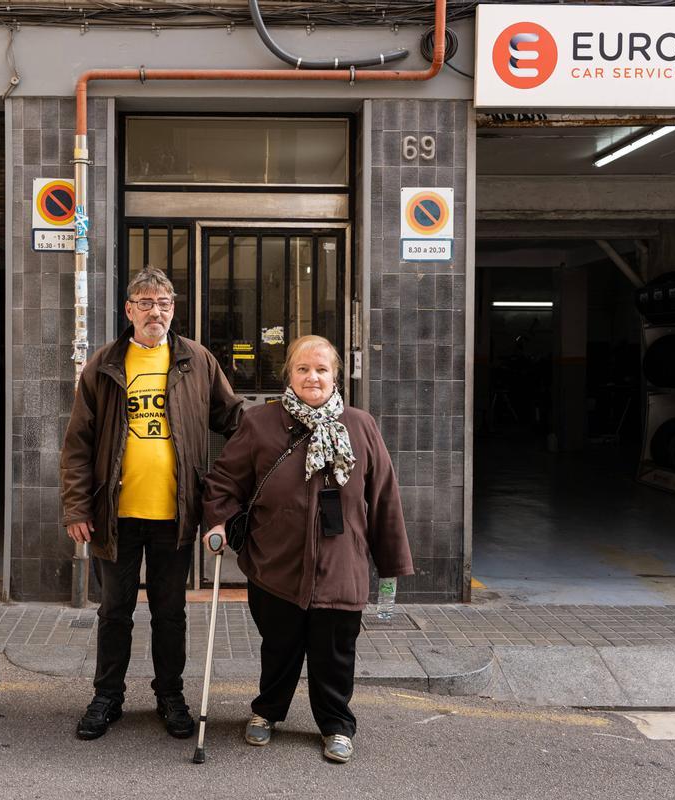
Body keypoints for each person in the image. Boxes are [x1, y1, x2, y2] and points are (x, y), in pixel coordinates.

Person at [202, 335, 412, 764]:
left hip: (342, 565)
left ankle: (336, 723)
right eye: (302, 369)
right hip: (275, 562)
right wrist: (217, 522)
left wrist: (389, 561)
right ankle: (267, 711)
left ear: (335, 375)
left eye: (320, 369)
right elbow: (224, 480)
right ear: (289, 375)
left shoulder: (361, 425)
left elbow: (384, 495)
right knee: (278, 645)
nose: (312, 377)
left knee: (334, 651)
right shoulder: (261, 423)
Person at [61, 266, 243, 741]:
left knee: (170, 614)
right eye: (145, 303)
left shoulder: (196, 361)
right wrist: (76, 507)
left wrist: (285, 419)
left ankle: (170, 696)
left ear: (173, 309)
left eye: (163, 303)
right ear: (128, 310)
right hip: (114, 517)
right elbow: (78, 443)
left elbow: (233, 417)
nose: (155, 311)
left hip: (175, 517)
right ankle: (107, 697)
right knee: (114, 612)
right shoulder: (104, 364)